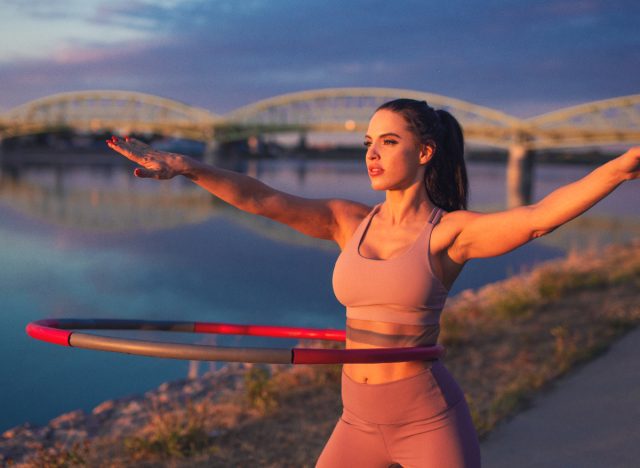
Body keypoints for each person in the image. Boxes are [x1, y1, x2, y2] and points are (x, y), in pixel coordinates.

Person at [107, 98, 639, 467]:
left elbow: (537, 217)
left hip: (427, 420)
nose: (372, 154)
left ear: (424, 152)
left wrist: (620, 168)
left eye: (388, 141)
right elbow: (261, 198)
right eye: (368, 142)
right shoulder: (347, 220)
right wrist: (188, 167)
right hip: (356, 421)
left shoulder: (448, 233)